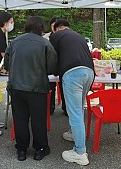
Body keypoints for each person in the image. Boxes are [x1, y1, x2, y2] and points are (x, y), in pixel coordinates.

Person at [5, 16, 57, 161]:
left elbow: (6, 65)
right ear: (41, 28)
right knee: (38, 119)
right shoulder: (45, 43)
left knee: (20, 119)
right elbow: (52, 67)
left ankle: (21, 149)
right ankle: (40, 149)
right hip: (37, 87)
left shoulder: (14, 42)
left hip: (16, 86)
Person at [49, 19, 94, 166]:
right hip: (89, 72)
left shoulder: (56, 36)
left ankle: (80, 152)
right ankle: (75, 134)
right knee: (79, 108)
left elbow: (52, 57)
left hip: (73, 74)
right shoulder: (78, 36)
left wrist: (53, 71)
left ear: (56, 28)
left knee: (74, 112)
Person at [43, 17, 66, 115]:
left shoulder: (65, 36)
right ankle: (50, 108)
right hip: (50, 66)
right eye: (53, 26)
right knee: (50, 87)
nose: (55, 28)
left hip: (63, 65)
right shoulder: (46, 37)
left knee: (64, 87)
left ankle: (65, 108)